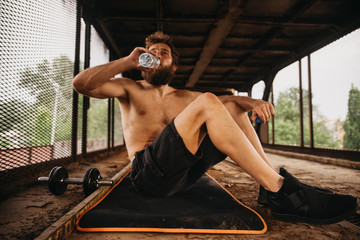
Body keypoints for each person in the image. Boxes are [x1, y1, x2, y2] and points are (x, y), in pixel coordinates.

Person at [73, 31, 358, 225]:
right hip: (147, 175)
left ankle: (269, 183)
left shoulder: (187, 98)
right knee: (211, 101)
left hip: (183, 175)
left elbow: (229, 104)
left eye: (164, 53)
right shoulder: (129, 89)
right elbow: (81, 84)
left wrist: (251, 100)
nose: (157, 56)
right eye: (151, 52)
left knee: (230, 108)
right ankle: (284, 190)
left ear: (173, 66)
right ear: (143, 61)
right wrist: (127, 61)